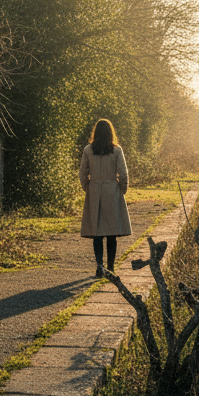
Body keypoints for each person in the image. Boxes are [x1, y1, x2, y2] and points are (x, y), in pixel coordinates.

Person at [79, 118, 132, 277]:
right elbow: (123, 173)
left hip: (94, 190)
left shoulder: (88, 150)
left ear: (95, 132)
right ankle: (110, 267)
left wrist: (87, 187)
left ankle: (99, 266)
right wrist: (122, 189)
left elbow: (82, 173)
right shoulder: (116, 150)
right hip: (112, 190)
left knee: (97, 232)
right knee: (111, 232)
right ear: (111, 132)